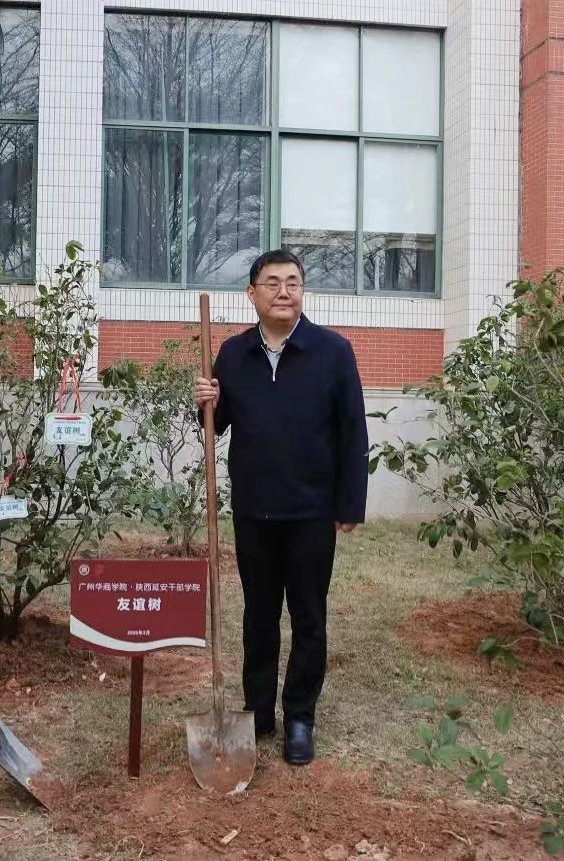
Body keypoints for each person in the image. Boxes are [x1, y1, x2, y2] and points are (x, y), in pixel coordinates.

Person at [193, 248, 368, 766]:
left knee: (309, 616)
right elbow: (217, 423)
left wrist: (350, 503)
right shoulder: (233, 354)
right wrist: (206, 400)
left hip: (311, 511)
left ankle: (299, 717)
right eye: (272, 283)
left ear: (302, 291)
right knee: (259, 615)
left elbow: (352, 431)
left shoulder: (333, 352)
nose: (284, 291)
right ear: (252, 293)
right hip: (254, 509)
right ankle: (258, 711)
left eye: (293, 282)